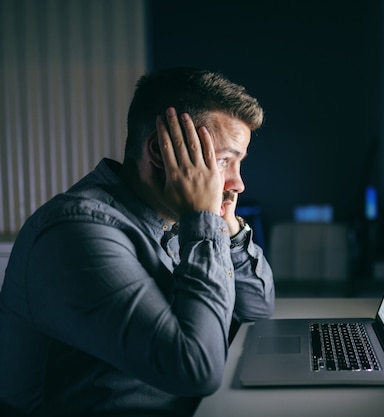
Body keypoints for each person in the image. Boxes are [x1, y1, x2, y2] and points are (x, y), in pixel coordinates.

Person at [0, 67, 275, 416]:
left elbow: (257, 310)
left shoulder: (170, 217)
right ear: (161, 153)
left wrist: (228, 227)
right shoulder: (76, 232)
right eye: (223, 161)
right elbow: (194, 370)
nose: (238, 183)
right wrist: (202, 222)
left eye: (239, 163)